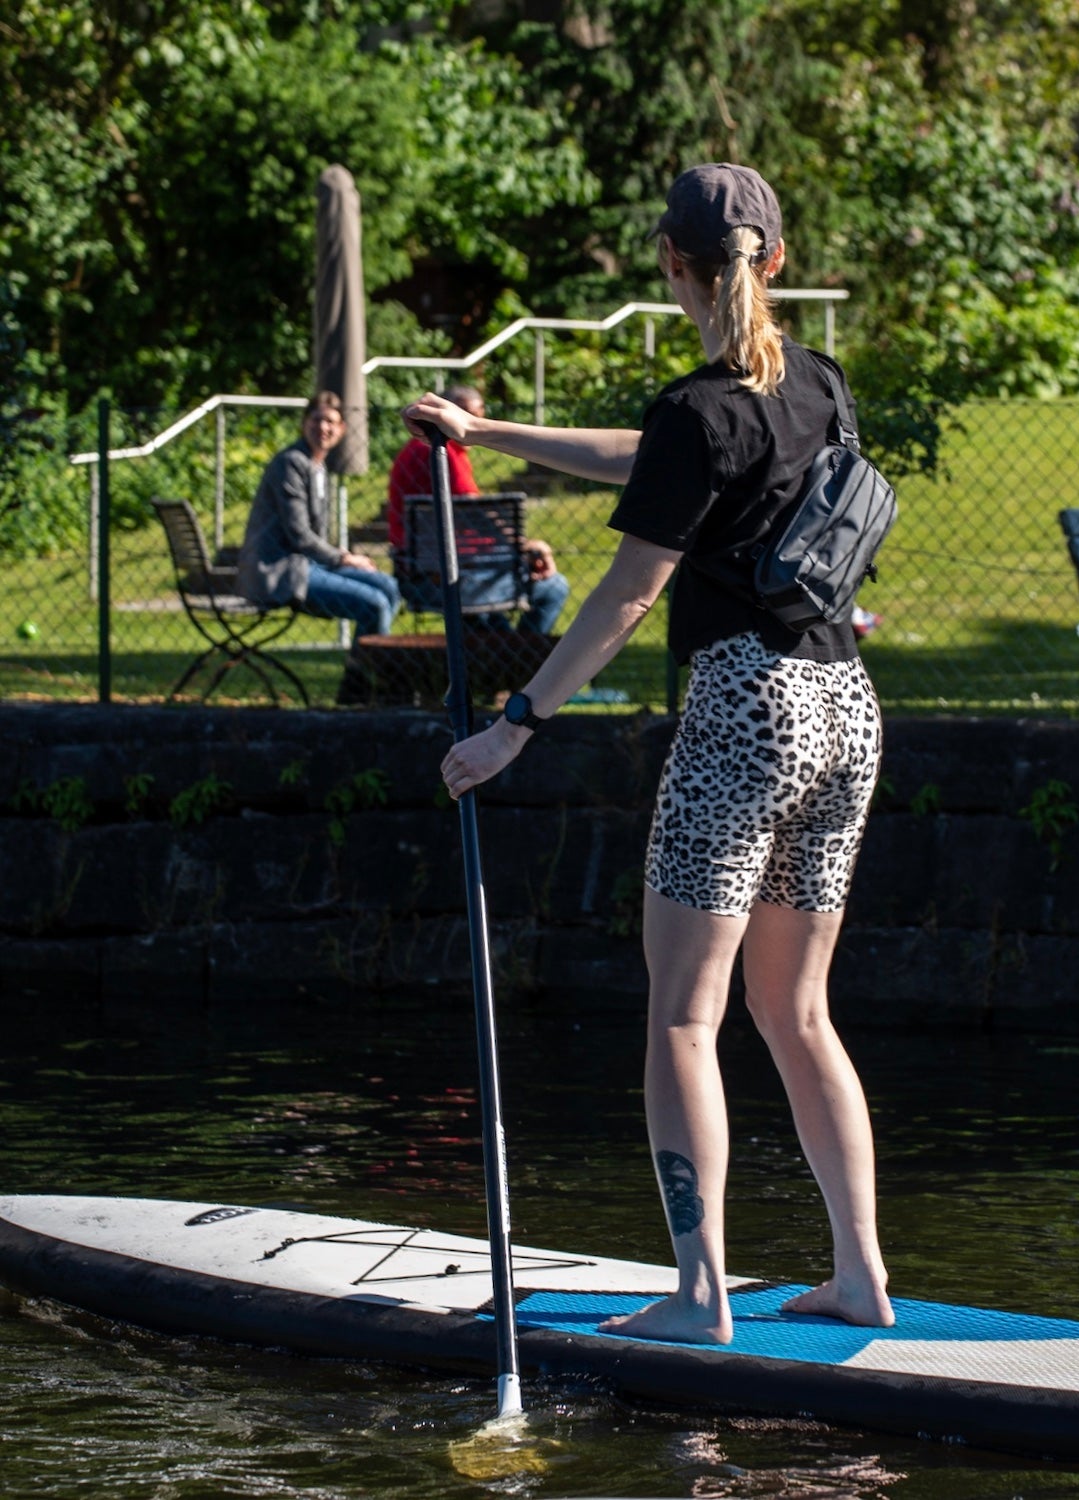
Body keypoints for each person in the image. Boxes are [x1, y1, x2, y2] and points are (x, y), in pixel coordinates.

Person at [406, 163, 893, 1346]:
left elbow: (630, 589)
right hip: (847, 708)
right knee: (799, 1014)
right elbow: (660, 455)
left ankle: (697, 1296)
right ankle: (860, 1276)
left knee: (684, 1018)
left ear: (669, 263)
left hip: (742, 706)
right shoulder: (819, 385)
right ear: (774, 261)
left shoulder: (698, 407)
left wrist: (515, 724)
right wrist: (494, 432)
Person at [387, 384, 570, 635]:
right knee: (555, 587)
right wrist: (528, 547)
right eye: (466, 414)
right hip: (454, 577)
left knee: (492, 627)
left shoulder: (418, 449)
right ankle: (521, 662)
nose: (473, 422)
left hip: (421, 572)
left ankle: (509, 662)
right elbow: (478, 512)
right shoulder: (443, 451)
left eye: (477, 415)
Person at [238, 392, 402, 638]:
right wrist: (345, 558)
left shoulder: (319, 467)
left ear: (342, 428)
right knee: (374, 604)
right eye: (316, 420)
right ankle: (364, 674)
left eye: (331, 422)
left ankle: (364, 669)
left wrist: (339, 558)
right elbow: (299, 534)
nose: (323, 427)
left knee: (390, 587)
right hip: (281, 572)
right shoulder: (290, 463)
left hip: (309, 565)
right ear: (304, 423)